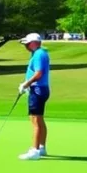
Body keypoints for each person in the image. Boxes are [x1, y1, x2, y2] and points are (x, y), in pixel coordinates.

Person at [18, 32, 51, 161]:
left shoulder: (39, 54)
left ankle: (35, 150)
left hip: (38, 89)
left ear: (33, 43)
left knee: (35, 121)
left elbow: (39, 74)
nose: (25, 46)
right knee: (39, 120)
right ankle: (41, 147)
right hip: (39, 89)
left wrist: (26, 84)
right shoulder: (39, 53)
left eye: (27, 43)